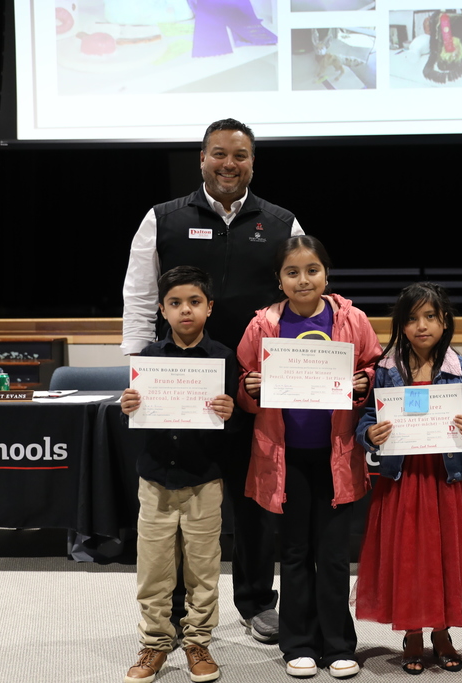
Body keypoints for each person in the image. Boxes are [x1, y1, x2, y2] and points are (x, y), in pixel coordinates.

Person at [122, 118, 304, 643]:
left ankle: (254, 601)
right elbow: (138, 297)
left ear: (253, 162)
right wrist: (138, 371)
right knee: (181, 498)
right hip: (178, 385)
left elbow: (299, 295)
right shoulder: (163, 218)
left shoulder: (281, 222)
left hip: (250, 383)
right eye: (219, 154)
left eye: (240, 156)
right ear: (201, 158)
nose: (229, 164)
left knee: (253, 499)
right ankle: (178, 609)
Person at [237, 236, 382, 679]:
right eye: (293, 272)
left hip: (338, 457)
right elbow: (244, 385)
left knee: (335, 555)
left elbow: (376, 367)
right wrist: (250, 390)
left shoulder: (352, 320)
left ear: (326, 273)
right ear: (279, 279)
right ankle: (298, 642)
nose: (304, 280)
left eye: (312, 270)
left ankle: (338, 643)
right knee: (296, 552)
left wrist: (366, 382)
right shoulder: (262, 325)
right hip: (286, 460)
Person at [354, 283, 462, 675]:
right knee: (409, 556)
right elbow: (365, 418)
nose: (421, 326)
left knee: (447, 556)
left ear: (444, 320)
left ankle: (443, 633)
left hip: (447, 479)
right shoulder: (385, 368)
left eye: (430, 317)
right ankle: (413, 632)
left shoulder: (461, 368)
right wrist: (370, 433)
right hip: (402, 480)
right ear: (400, 324)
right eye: (412, 318)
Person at [121, 266, 237, 683]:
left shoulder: (224, 356)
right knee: (153, 568)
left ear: (209, 307)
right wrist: (130, 407)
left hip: (204, 480)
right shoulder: (148, 359)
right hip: (155, 479)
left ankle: (198, 642)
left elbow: (237, 426)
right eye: (175, 303)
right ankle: (154, 644)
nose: (185, 310)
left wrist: (230, 413)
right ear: (161, 310)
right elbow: (138, 421)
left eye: (193, 302)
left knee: (203, 568)